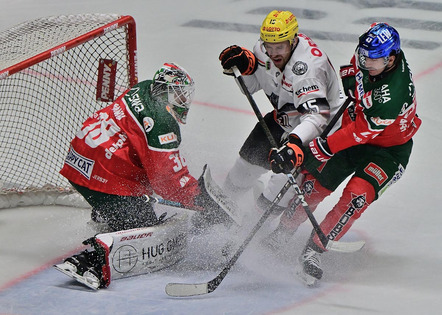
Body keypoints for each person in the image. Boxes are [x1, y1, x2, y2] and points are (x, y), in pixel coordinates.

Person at [268, 23, 422, 286]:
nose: (365, 61)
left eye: (373, 59)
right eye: (363, 55)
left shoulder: (392, 95)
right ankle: (280, 235)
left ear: (391, 59)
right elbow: (355, 69)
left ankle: (314, 251)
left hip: (389, 151)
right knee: (313, 187)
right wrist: (352, 83)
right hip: (356, 128)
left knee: (356, 198)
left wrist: (320, 147)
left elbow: (362, 133)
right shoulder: (375, 56)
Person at [55, 62, 234, 289]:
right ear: (165, 92)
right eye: (178, 94)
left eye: (184, 94)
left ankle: (106, 211)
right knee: (143, 232)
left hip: (80, 161)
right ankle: (89, 262)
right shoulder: (162, 121)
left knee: (139, 187)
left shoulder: (144, 88)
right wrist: (198, 199)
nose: (183, 101)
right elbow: (167, 180)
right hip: (101, 177)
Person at [218, 10, 343, 218]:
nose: (274, 53)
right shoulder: (262, 49)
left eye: (280, 47)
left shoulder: (308, 69)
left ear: (293, 41)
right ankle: (217, 212)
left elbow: (317, 117)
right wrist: (244, 70)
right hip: (283, 119)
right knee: (243, 168)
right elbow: (251, 87)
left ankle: (256, 226)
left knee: (276, 193)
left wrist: (294, 143)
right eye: (269, 46)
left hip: (314, 132)